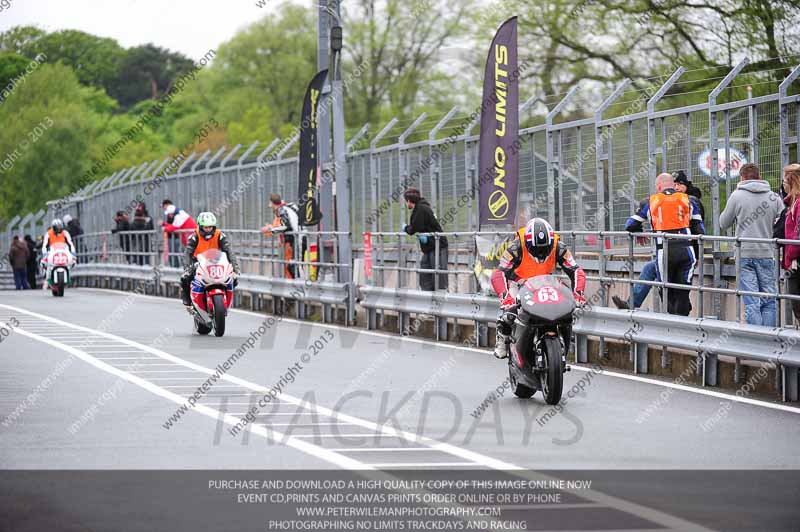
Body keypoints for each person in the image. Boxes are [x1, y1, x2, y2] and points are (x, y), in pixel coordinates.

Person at [490, 218, 586, 359]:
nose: (540, 253)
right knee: (509, 312)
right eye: (536, 249)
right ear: (527, 243)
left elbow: (576, 270)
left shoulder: (558, 246)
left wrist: (578, 294)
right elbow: (499, 274)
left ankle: (565, 339)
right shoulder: (515, 247)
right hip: (519, 282)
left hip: (545, 282)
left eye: (544, 249)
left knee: (566, 309)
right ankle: (503, 337)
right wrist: (506, 298)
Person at [625, 172, 705, 316]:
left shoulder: (650, 201)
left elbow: (630, 225)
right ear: (673, 185)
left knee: (666, 290)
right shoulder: (690, 200)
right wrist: (697, 254)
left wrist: (640, 230)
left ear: (658, 186)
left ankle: (672, 328)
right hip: (687, 251)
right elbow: (700, 230)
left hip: (664, 252)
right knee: (682, 292)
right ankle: (683, 328)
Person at [719, 163, 783, 326]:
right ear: (759, 176)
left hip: (744, 253)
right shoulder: (774, 197)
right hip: (767, 253)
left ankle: (756, 339)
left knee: (751, 300)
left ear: (742, 177)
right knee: (769, 299)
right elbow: (783, 221)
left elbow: (723, 223)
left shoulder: (737, 196)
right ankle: (769, 340)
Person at [180, 212, 241, 308]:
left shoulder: (220, 235)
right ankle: (187, 300)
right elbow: (187, 253)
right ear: (200, 226)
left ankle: (227, 298)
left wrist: (235, 266)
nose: (208, 229)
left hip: (216, 261)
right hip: (198, 262)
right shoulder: (194, 236)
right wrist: (187, 268)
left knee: (234, 279)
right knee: (185, 278)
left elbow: (229, 251)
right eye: (205, 227)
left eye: (210, 227)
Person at [402, 188, 449, 291]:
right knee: (425, 273)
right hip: (429, 247)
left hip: (438, 246)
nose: (406, 204)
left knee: (438, 275)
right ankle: (428, 298)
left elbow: (413, 228)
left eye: (406, 201)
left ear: (409, 201)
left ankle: (442, 299)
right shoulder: (421, 208)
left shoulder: (421, 209)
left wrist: (405, 228)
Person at [261, 194, 302, 279]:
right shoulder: (287, 208)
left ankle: (295, 286)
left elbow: (285, 226)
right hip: (297, 239)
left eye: (270, 203)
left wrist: (270, 229)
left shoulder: (281, 210)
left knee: (292, 266)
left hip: (293, 241)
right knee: (293, 265)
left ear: (272, 203)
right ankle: (295, 285)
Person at [781, 163, 800, 322]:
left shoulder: (798, 204)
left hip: (796, 261)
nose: (783, 185)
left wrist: (790, 255)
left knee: (797, 304)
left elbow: (797, 234)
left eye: (785, 181)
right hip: (793, 261)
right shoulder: (791, 204)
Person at [161, 200, 197, 267]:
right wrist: (164, 224)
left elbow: (175, 227)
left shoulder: (179, 216)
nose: (169, 215)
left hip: (189, 237)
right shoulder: (179, 213)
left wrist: (164, 228)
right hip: (188, 237)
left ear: (171, 213)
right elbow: (174, 225)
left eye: (169, 214)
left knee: (191, 254)